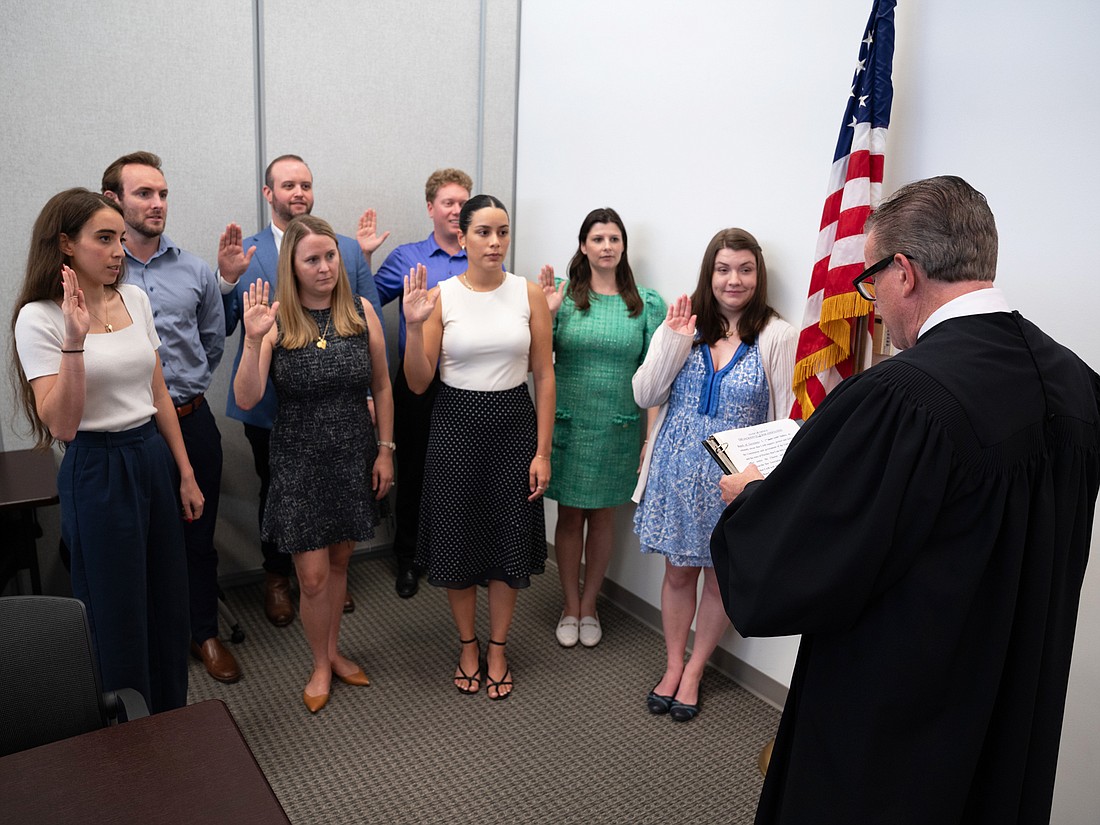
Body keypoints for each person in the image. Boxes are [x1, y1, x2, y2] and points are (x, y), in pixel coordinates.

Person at [712, 176, 1100, 824]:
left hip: (901, 725)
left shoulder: (905, 397)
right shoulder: (1077, 384)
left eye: (871, 285)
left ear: (905, 273)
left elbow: (790, 566)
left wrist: (755, 496)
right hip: (1016, 705)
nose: (875, 307)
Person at [12, 188, 203, 712]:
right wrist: (74, 340)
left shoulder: (134, 299)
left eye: (121, 238)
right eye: (104, 238)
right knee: (117, 611)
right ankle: (130, 737)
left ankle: (171, 718)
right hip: (97, 464)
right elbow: (64, 425)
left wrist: (184, 472)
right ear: (66, 245)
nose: (120, 250)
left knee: (168, 602)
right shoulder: (40, 317)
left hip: (150, 456)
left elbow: (157, 392)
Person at [632, 228, 795, 722]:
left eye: (745, 269)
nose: (734, 280)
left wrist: (762, 484)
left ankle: (696, 670)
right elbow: (646, 394)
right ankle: (672, 665)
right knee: (678, 573)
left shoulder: (777, 335)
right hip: (675, 476)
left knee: (721, 580)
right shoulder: (683, 325)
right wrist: (675, 341)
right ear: (709, 273)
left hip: (731, 483)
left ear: (758, 275)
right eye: (724, 269)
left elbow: (786, 418)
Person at [233, 214, 394, 713]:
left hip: (353, 452)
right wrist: (255, 340)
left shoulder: (361, 311)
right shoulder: (276, 319)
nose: (324, 267)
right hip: (299, 459)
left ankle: (335, 652)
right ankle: (320, 664)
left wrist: (386, 450)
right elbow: (247, 395)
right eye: (312, 259)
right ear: (293, 265)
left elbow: (383, 387)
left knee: (342, 562)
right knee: (313, 578)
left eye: (330, 257)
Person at [218, 154, 387, 624]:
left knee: (335, 525)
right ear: (268, 193)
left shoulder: (348, 249)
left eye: (306, 184)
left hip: (342, 404)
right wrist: (228, 280)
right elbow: (225, 327)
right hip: (273, 409)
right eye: (288, 184)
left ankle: (326, 586)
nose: (299, 192)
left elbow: (365, 325)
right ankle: (278, 578)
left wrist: (370, 399)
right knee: (278, 496)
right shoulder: (247, 253)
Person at [402, 194, 554, 700]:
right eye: (484, 232)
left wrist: (543, 451)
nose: (495, 242)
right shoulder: (441, 295)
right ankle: (467, 644)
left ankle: (497, 646)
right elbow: (419, 382)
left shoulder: (528, 294)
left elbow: (545, 375)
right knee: (458, 539)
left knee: (508, 539)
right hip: (455, 425)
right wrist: (413, 325)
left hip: (513, 424)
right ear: (461, 236)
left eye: (503, 231)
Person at [101, 151, 237, 684]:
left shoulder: (194, 268)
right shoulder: (99, 270)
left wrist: (188, 389)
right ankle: (152, 639)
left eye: (162, 194)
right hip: (129, 431)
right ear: (113, 200)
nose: (157, 204)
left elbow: (210, 342)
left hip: (191, 418)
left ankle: (204, 631)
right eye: (143, 194)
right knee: (140, 541)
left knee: (198, 536)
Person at [537, 207, 665, 648]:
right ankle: (568, 605)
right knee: (570, 515)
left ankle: (590, 606)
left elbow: (654, 380)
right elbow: (537, 359)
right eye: (598, 239)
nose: (607, 246)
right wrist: (548, 313)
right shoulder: (560, 296)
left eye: (614, 239)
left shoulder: (646, 304)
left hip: (619, 428)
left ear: (623, 246)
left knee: (604, 518)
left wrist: (650, 438)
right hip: (570, 425)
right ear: (583, 246)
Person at [374, 168, 472, 598]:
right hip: (416, 380)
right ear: (430, 207)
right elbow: (362, 303)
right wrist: (359, 258)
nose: (456, 210)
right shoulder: (406, 257)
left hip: (467, 380)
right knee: (413, 470)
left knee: (462, 471)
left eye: (463, 203)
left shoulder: (485, 256)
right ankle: (409, 558)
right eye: (448, 202)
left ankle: (455, 554)